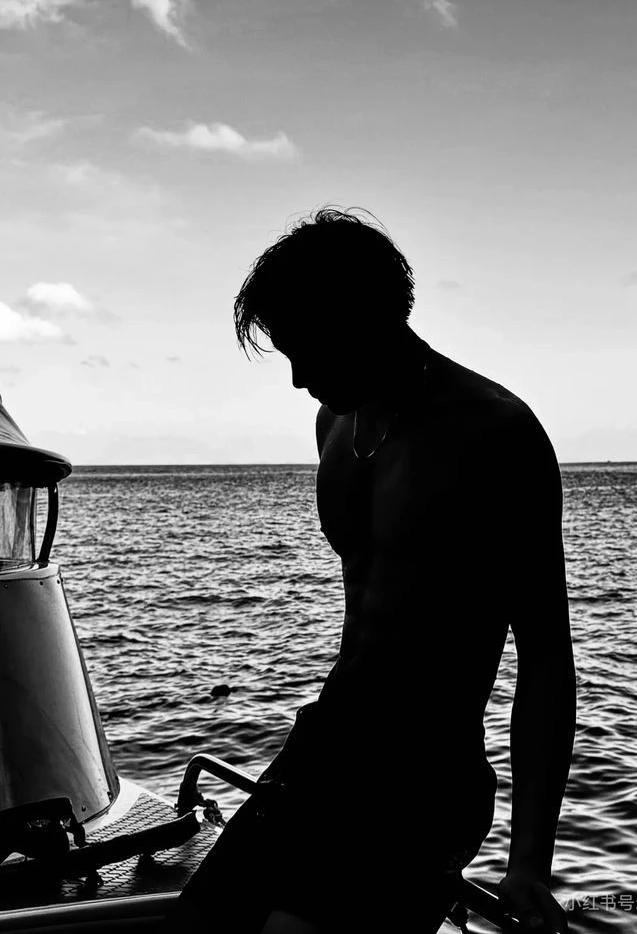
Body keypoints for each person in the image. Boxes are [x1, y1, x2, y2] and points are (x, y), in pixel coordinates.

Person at [162, 206, 576, 934]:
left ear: (364, 319)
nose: (298, 379)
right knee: (196, 926)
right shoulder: (335, 423)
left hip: (421, 780)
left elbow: (544, 653)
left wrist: (529, 864)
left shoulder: (493, 433)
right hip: (322, 748)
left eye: (308, 351)